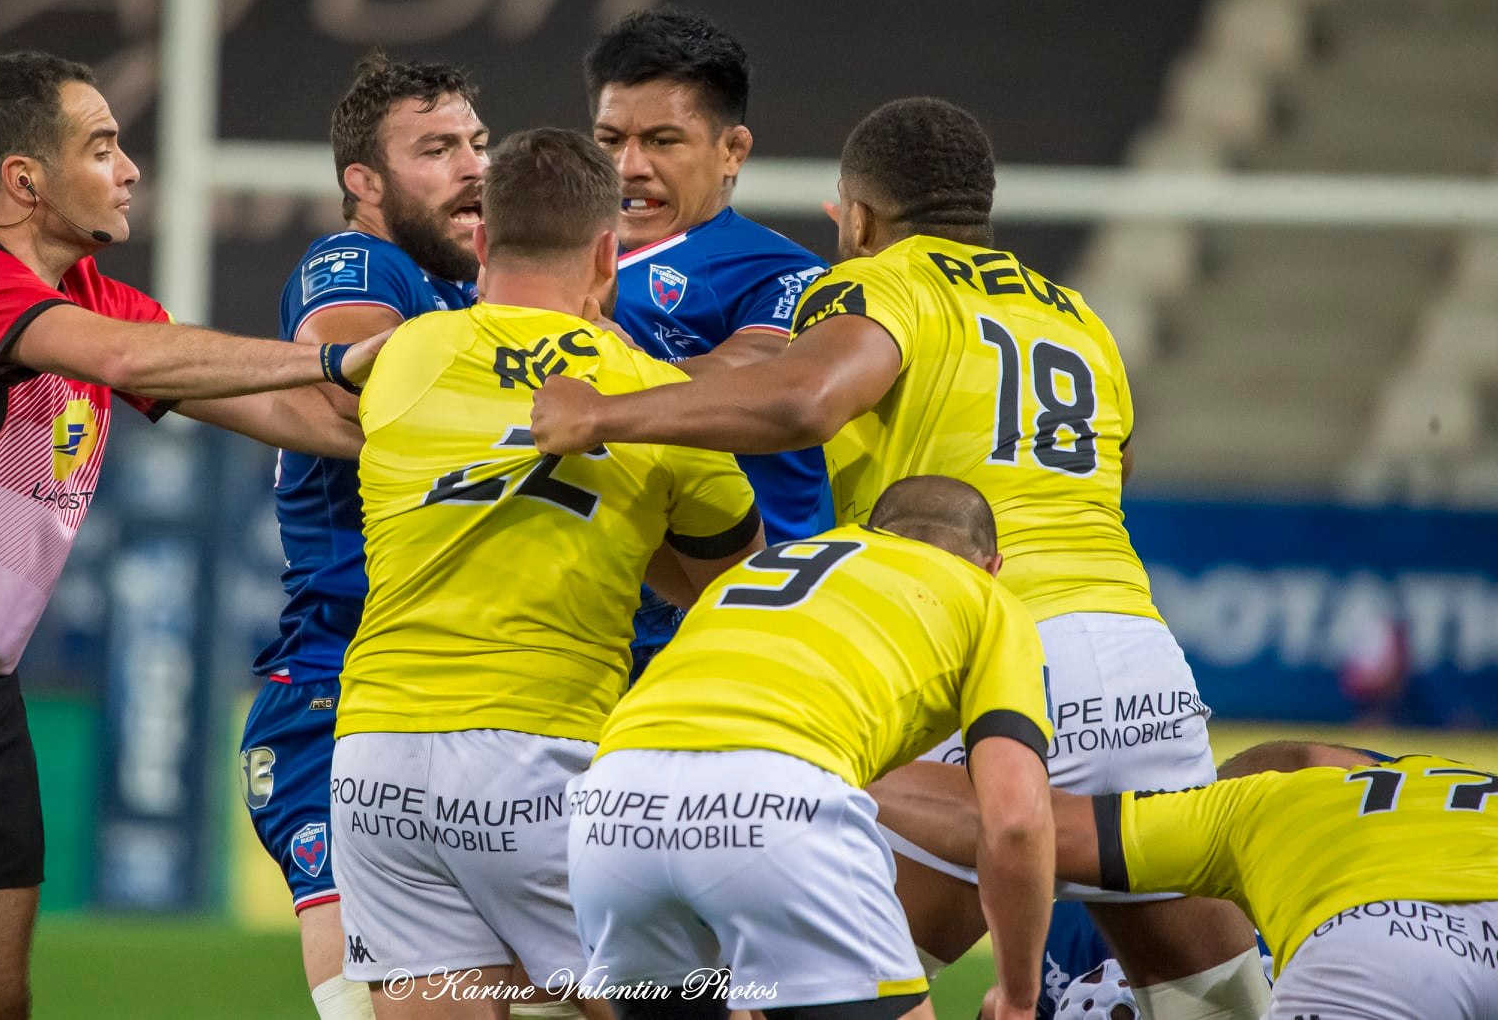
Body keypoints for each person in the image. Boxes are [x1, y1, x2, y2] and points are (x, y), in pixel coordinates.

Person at [530, 97, 1268, 1019]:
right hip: (1138, 662)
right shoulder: (1082, 319)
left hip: (985, 653)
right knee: (1214, 999)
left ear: (862, 218)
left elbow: (807, 400)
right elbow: (1112, 466)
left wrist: (602, 411)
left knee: (809, 985)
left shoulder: (883, 282)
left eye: (840, 218)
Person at [0, 51, 378, 1020]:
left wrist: (427, 399)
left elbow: (301, 416)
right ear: (23, 181)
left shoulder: (101, 297)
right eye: (103, 146)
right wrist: (336, 354)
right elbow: (132, 355)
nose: (131, 167)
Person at [329, 128, 764, 1019]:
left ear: (481, 240)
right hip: (541, 762)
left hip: (376, 761)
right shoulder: (656, 404)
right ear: (609, 252)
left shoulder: (407, 359)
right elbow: (733, 592)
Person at [567, 476, 1054, 1020]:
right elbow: (1014, 818)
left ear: (869, 530)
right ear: (992, 566)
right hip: (774, 800)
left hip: (611, 804)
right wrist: (1017, 995)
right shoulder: (985, 599)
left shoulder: (764, 566)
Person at [237, 51, 486, 1020]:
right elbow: (343, 367)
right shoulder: (365, 264)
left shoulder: (473, 298)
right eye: (437, 149)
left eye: (475, 143)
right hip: (340, 700)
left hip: (456, 701)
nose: (472, 166)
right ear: (365, 184)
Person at [869, 741, 1498, 1020]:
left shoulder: (1252, 809)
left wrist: (826, 765)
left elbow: (1024, 825)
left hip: (1374, 943)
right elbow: (1306, 754)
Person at [583, 8, 831, 676]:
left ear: (732, 151)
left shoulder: (784, 272)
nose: (628, 167)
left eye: (663, 141)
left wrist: (584, 361)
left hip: (735, 636)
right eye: (609, 139)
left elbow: (755, 375)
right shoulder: (556, 262)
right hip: (586, 634)